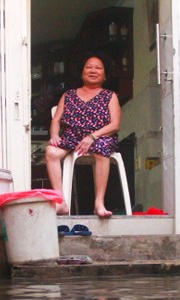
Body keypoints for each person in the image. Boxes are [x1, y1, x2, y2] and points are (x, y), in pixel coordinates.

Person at [45, 54, 122, 217]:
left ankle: (99, 203)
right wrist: (53, 134)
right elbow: (56, 119)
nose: (93, 70)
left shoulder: (110, 96)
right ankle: (61, 202)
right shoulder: (68, 95)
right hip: (71, 138)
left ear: (105, 74)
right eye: (89, 67)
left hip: (100, 137)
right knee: (51, 152)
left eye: (98, 68)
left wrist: (92, 137)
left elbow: (115, 125)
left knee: (102, 150)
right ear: (81, 72)